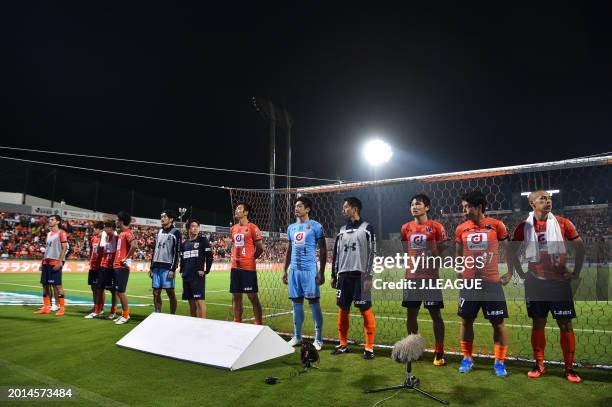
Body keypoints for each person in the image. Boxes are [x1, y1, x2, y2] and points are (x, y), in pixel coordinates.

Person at [509, 190, 585, 383]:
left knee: (565, 324)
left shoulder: (562, 222)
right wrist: (520, 271)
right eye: (543, 198)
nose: (548, 201)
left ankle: (569, 368)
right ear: (532, 202)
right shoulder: (524, 225)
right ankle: (539, 364)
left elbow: (579, 246)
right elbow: (511, 250)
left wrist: (575, 272)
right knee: (538, 323)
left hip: (559, 283)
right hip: (535, 281)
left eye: (549, 198)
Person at [455, 190, 512, 377]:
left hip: (491, 283)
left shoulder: (497, 226)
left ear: (479, 207)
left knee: (498, 323)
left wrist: (510, 272)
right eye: (463, 207)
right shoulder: (461, 228)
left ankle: (499, 362)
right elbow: (458, 253)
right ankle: (467, 358)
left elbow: (508, 249)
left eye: (467, 207)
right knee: (466, 321)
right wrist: (459, 271)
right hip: (470, 283)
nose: (464, 211)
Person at [400, 193, 448, 366]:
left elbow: (443, 250)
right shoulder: (405, 228)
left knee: (436, 315)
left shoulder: (436, 227)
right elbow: (406, 250)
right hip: (411, 278)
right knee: (411, 314)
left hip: (430, 278)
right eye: (412, 204)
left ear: (427, 207)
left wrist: (433, 261)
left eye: (418, 204)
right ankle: (414, 350)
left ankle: (439, 352)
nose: (414, 207)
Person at [331, 197, 377, 359]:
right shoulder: (342, 230)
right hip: (343, 276)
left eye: (346, 207)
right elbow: (336, 254)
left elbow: (372, 252)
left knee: (365, 310)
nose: (343, 210)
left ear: (355, 208)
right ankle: (343, 344)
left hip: (360, 276)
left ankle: (369, 348)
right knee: (343, 310)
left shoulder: (367, 228)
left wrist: (369, 276)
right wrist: (333, 275)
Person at [283, 197, 327, 351]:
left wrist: (321, 271)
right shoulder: (291, 228)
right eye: (295, 206)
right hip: (294, 271)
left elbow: (322, 249)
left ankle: (319, 339)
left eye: (300, 206)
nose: (296, 208)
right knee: (296, 304)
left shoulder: (316, 226)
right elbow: (289, 249)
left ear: (307, 209)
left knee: (314, 303)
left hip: (310, 271)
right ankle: (297, 336)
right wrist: (285, 270)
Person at [229, 202, 264, 324]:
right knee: (236, 297)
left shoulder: (253, 227)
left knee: (252, 297)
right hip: (235, 267)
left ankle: (259, 324)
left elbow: (260, 248)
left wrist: (251, 258)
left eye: (239, 208)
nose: (236, 210)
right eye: (236, 208)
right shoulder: (233, 228)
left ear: (246, 213)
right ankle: (237, 321)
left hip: (248, 268)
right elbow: (234, 245)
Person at [33, 215, 67, 316]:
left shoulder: (62, 233)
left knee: (58, 285)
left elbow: (64, 248)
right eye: (50, 220)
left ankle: (62, 308)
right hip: (46, 262)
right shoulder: (48, 234)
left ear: (57, 222)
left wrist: (60, 262)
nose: (50, 221)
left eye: (52, 220)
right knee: (45, 285)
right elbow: (47, 250)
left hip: (55, 261)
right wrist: (42, 262)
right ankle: (46, 307)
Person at [150, 210, 182, 314]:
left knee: (170, 292)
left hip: (167, 267)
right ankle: (157, 313)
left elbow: (177, 252)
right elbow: (155, 250)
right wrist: (151, 267)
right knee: (155, 292)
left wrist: (173, 269)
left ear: (171, 219)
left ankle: (172, 314)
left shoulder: (176, 233)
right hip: (156, 267)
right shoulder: (159, 232)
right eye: (161, 217)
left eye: (165, 217)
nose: (162, 219)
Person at [180, 219, 213, 318]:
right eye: (192, 226)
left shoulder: (203, 241)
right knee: (191, 302)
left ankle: (202, 324)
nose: (195, 228)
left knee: (199, 300)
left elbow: (209, 256)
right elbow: (182, 258)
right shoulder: (184, 244)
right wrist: (181, 270)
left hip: (197, 276)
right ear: (188, 228)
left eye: (197, 226)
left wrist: (205, 270)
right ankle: (193, 323)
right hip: (186, 275)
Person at [113, 211, 138, 325]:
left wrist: (126, 258)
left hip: (122, 266)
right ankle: (123, 314)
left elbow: (134, 245)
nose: (116, 221)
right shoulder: (122, 234)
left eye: (117, 220)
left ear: (122, 221)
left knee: (121, 291)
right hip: (117, 265)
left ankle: (126, 315)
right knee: (118, 291)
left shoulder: (128, 233)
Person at [95, 221, 118, 319]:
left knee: (113, 291)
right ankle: (98, 311)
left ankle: (113, 312)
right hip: (103, 265)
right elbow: (100, 250)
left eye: (106, 228)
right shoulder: (106, 236)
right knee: (99, 288)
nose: (104, 229)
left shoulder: (116, 237)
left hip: (111, 267)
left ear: (111, 228)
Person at [84, 222, 105, 318]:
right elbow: (92, 251)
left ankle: (101, 308)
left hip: (99, 266)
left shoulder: (103, 239)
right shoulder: (93, 238)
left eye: (95, 229)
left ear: (100, 229)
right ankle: (95, 306)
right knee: (93, 287)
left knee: (100, 288)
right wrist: (90, 259)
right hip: (93, 266)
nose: (94, 230)